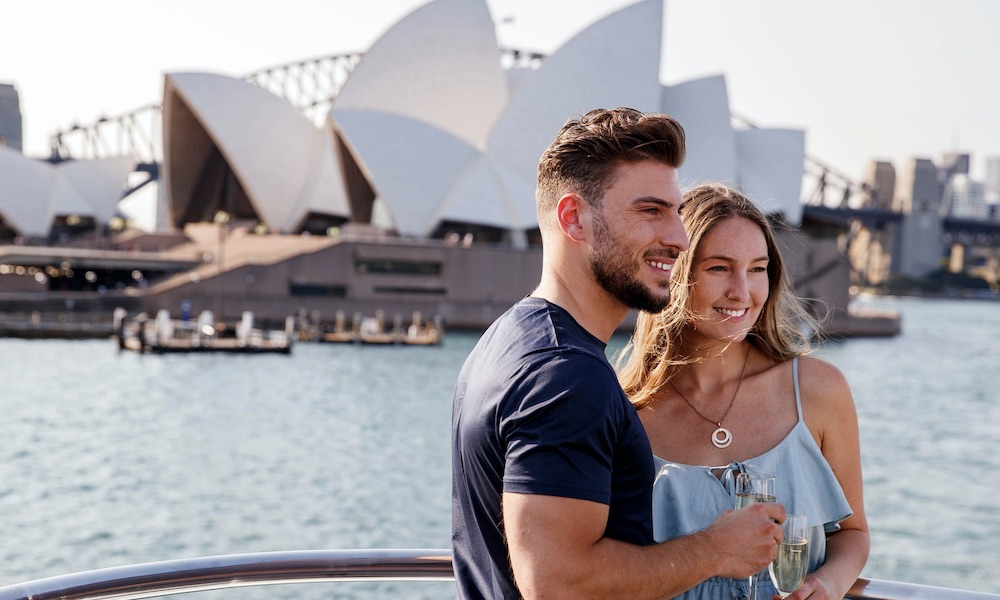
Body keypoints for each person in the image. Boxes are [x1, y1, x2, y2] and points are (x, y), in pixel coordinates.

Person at [451, 109, 785, 600]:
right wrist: (716, 551)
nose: (677, 237)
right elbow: (559, 583)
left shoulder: (509, 338)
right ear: (574, 218)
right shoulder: (567, 376)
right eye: (650, 211)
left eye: (675, 211)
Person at [618, 183, 870, 600]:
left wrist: (827, 584)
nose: (743, 291)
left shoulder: (818, 391)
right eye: (719, 268)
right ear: (675, 272)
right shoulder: (625, 412)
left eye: (757, 269)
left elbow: (854, 532)